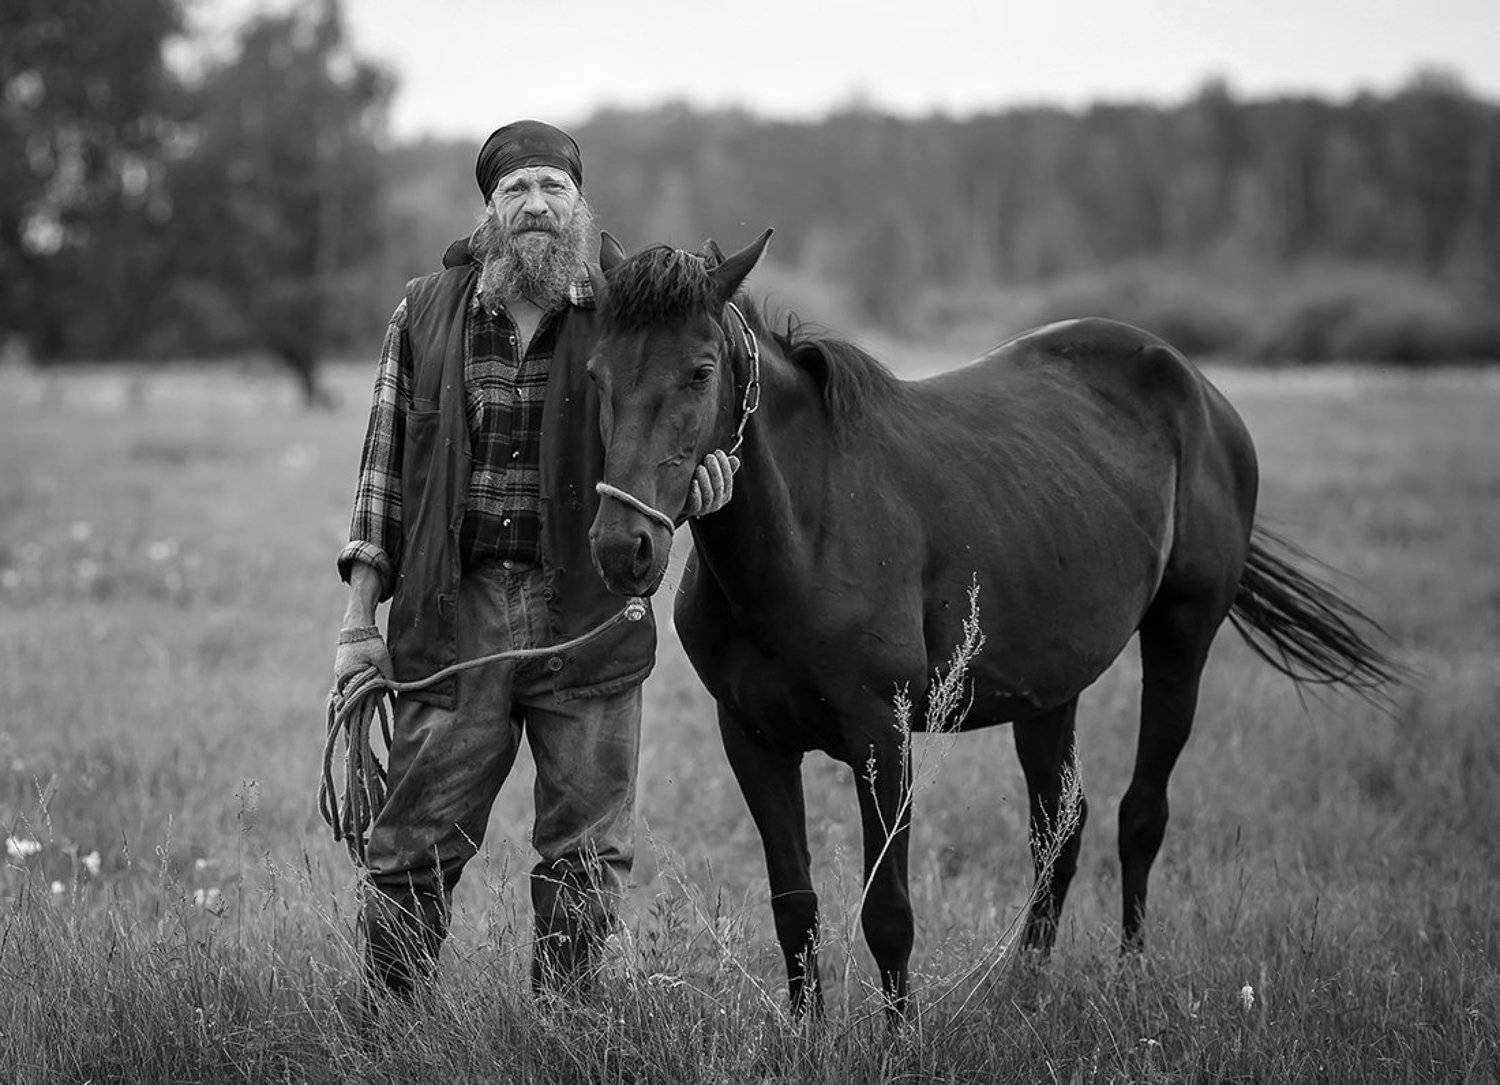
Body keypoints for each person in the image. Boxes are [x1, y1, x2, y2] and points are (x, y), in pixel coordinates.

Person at [332, 120, 733, 999]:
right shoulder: (424, 311)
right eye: (516, 190)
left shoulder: (625, 311)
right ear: (489, 211)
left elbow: (681, 412)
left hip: (585, 612)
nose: (536, 204)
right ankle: (386, 1034)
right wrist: (360, 624)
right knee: (411, 847)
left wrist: (698, 483)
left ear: (580, 206)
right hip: (453, 614)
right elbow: (380, 474)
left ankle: (570, 1033)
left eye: (554, 187)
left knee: (588, 853)